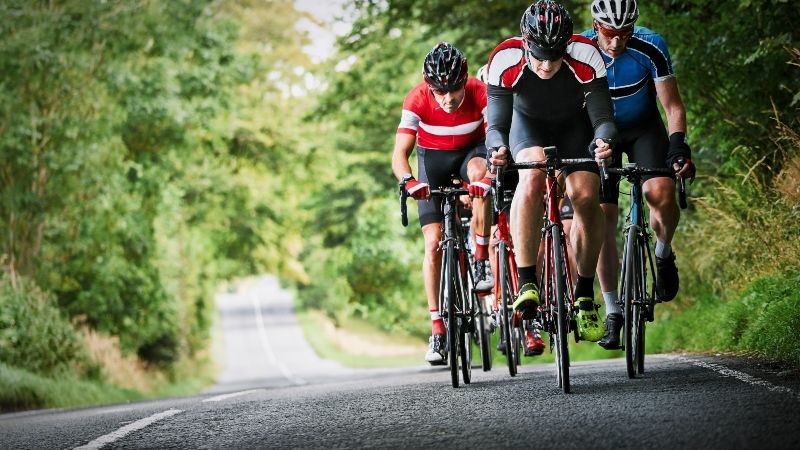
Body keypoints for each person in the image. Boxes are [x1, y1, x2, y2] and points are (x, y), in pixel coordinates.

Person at [486, 0, 617, 343]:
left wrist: (603, 141)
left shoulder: (585, 54)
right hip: (526, 126)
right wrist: (497, 150)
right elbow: (497, 124)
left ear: (566, 47)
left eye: (554, 57)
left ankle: (585, 293)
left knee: (586, 197)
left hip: (575, 128)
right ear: (526, 43)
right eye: (539, 56)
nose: (546, 65)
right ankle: (528, 281)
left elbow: (603, 118)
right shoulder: (505, 58)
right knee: (530, 177)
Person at [583, 0, 696, 350]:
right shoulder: (581, 50)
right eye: (609, 33)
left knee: (659, 193)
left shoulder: (651, 45)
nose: (616, 42)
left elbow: (672, 106)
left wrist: (678, 145)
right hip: (601, 134)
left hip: (644, 128)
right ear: (595, 25)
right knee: (601, 218)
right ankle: (613, 310)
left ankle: (662, 254)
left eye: (624, 33)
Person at [392, 42, 494, 365]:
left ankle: (480, 259)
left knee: (480, 176)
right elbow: (399, 154)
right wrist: (409, 182)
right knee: (434, 242)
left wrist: (489, 176)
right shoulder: (417, 98)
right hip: (432, 162)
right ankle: (437, 329)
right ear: (429, 86)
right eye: (440, 91)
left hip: (471, 154)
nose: (448, 98)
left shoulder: (480, 91)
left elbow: (496, 136)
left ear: (465, 80)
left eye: (454, 89)